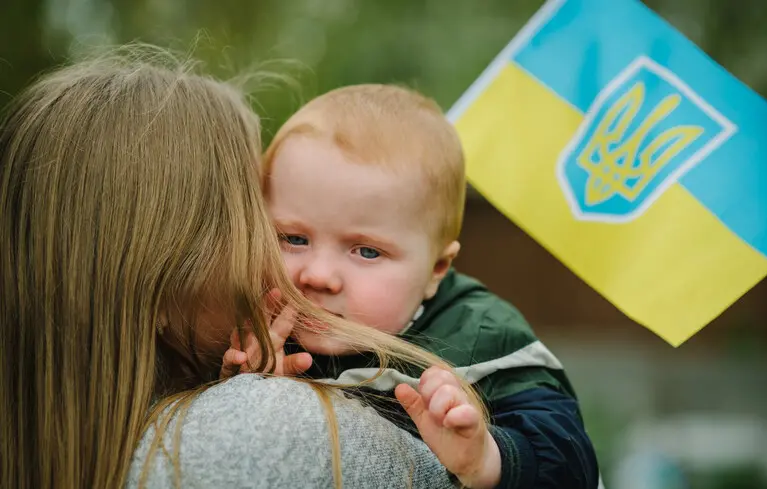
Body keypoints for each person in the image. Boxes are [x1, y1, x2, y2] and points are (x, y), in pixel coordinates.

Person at [0, 48, 486, 489]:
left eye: (366, 250)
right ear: (160, 276)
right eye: (283, 234)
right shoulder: (256, 428)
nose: (309, 275)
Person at [228, 84, 600, 488]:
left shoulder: (477, 335)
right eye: (293, 239)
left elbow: (570, 463)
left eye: (366, 252)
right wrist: (241, 384)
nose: (317, 275)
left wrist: (486, 459)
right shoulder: (254, 322)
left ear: (436, 269)